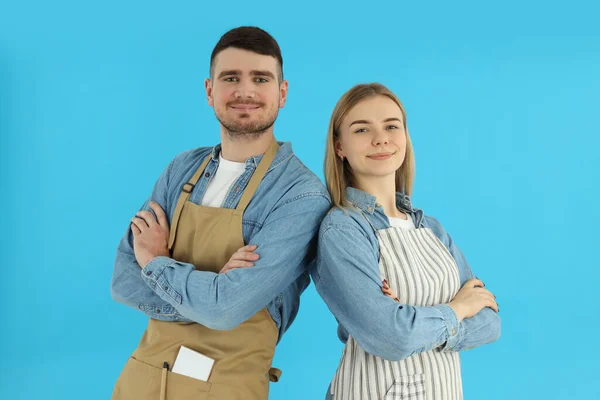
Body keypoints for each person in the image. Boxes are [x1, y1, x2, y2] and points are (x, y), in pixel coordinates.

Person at [110, 26, 330, 400]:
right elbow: (123, 281)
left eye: (260, 78)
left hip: (226, 388)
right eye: (231, 78)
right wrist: (208, 292)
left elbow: (226, 309)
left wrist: (157, 262)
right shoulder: (182, 167)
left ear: (282, 92)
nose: (245, 91)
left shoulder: (301, 194)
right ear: (210, 91)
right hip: (141, 381)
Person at [312, 83, 501, 399]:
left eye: (391, 126)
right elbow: (390, 338)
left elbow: (490, 322)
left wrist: (408, 317)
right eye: (361, 129)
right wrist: (457, 309)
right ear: (339, 146)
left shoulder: (432, 229)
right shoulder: (343, 229)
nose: (381, 138)